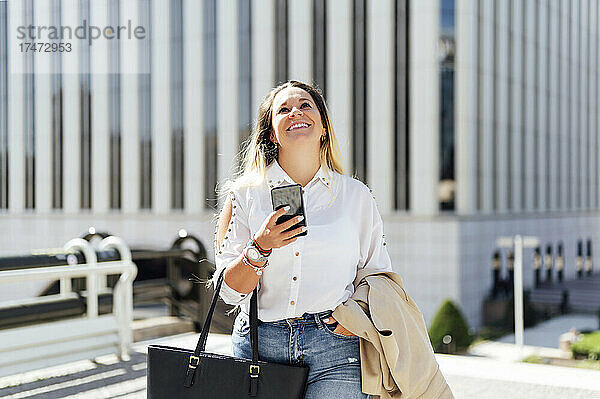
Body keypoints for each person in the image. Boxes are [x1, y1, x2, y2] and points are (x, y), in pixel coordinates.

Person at [214, 80, 392, 399]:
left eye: (305, 105)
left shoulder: (356, 196)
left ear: (323, 126)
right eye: (284, 109)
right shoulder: (244, 196)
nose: (295, 111)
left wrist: (353, 321)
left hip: (336, 347)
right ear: (271, 133)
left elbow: (377, 275)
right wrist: (260, 247)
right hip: (260, 345)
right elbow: (228, 293)